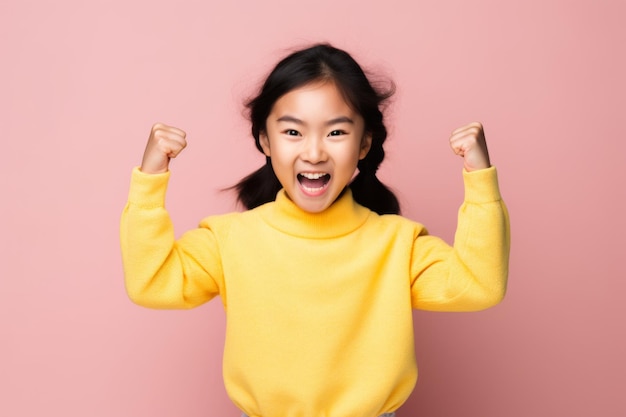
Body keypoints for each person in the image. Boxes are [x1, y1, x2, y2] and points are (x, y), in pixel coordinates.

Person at [120, 43, 510, 417]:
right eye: (293, 132)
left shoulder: (397, 243)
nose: (314, 152)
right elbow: (152, 282)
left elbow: (479, 284)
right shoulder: (231, 240)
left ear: (364, 143)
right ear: (264, 140)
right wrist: (150, 179)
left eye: (336, 132)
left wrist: (479, 180)